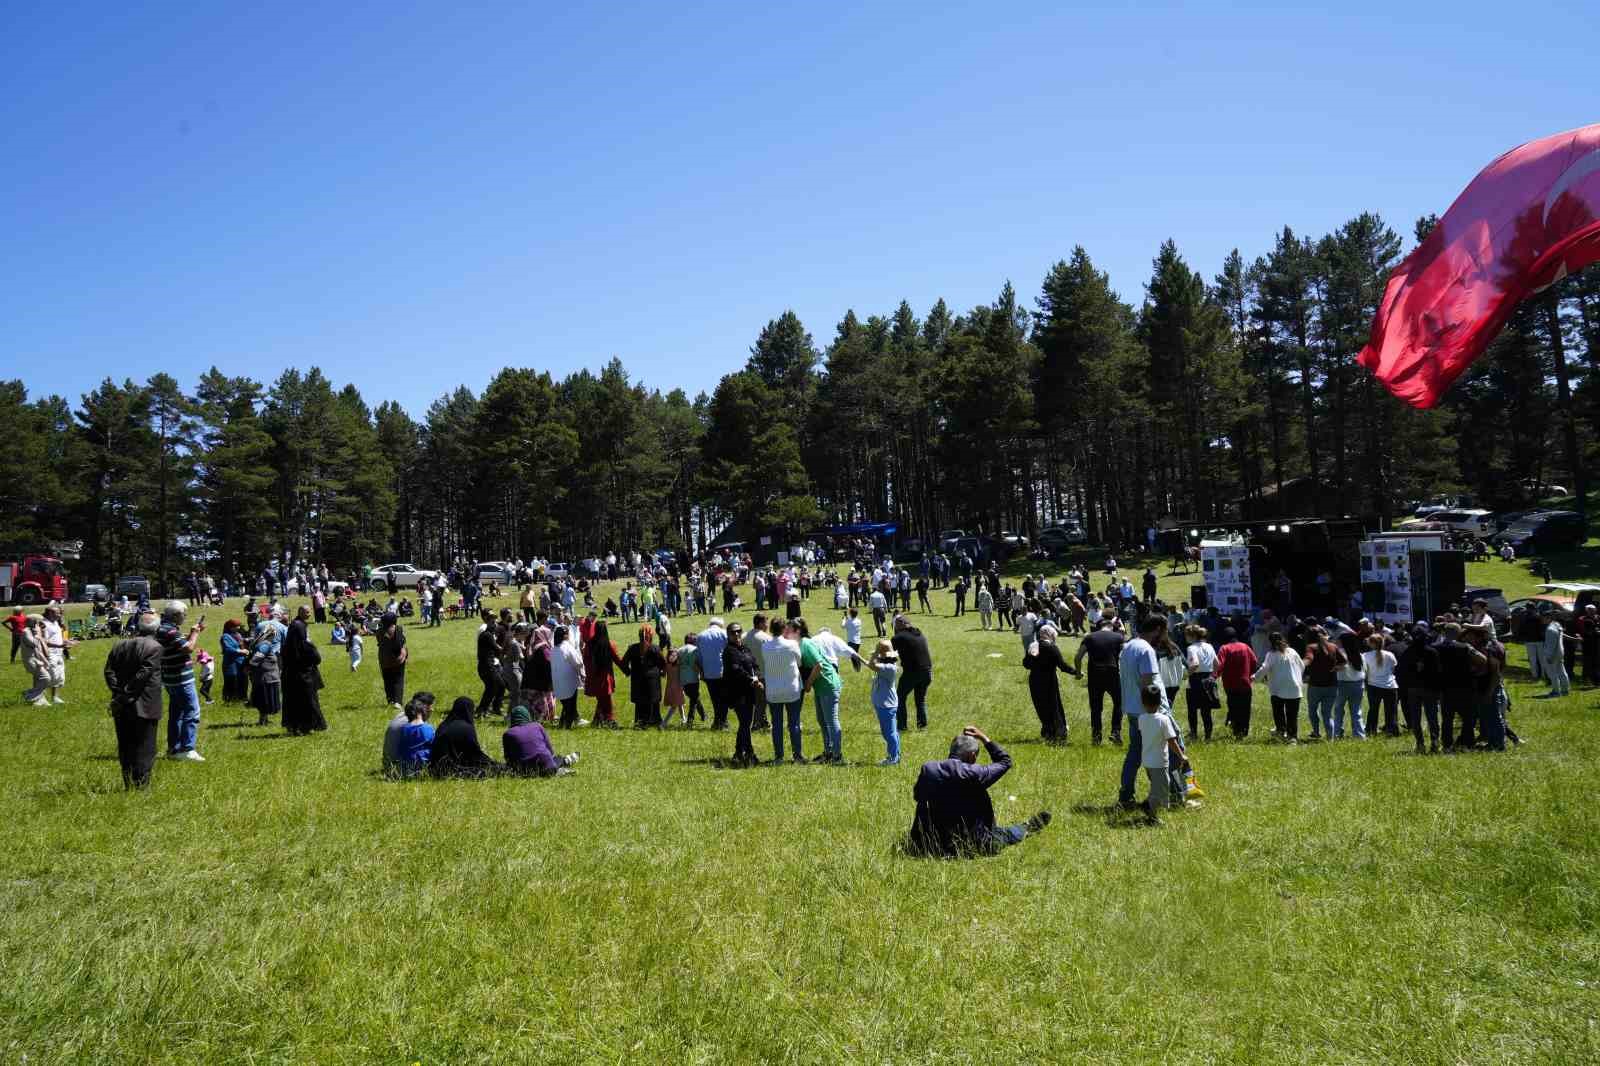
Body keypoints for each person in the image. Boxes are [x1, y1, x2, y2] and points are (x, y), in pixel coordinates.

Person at [906, 726, 1051, 857]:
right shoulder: (975, 773)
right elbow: (1005, 761)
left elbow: (917, 796)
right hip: (972, 846)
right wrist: (984, 738)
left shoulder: (928, 769)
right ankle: (1028, 827)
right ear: (972, 756)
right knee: (1003, 835)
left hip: (927, 844)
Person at [103, 612, 163, 789]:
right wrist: (126, 694)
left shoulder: (119, 645)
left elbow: (108, 672)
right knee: (145, 746)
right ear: (157, 628)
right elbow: (143, 675)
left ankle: (128, 782)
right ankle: (141, 785)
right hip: (144, 704)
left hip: (121, 705)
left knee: (126, 745)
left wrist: (118, 693)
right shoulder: (155, 647)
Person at [1116, 616, 1168, 810]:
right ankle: (1163, 797)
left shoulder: (1129, 645)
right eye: (1163, 632)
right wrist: (1156, 711)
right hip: (1146, 710)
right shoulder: (1146, 650)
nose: (1163, 637)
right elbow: (1148, 683)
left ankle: (1126, 795)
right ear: (1156, 629)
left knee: (1135, 754)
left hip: (1132, 708)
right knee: (1159, 755)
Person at [157, 602, 206, 761]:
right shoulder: (171, 630)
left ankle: (174, 749)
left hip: (170, 678)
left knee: (177, 714)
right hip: (181, 679)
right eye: (183, 615)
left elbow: (176, 643)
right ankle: (187, 748)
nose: (184, 618)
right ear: (176, 615)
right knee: (192, 711)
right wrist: (195, 633)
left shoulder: (163, 628)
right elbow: (188, 648)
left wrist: (190, 634)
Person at [1136, 684, 1190, 826]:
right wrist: (1181, 756)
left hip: (1147, 761)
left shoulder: (1141, 719)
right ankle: (1151, 817)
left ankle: (1149, 805)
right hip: (1159, 762)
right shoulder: (1164, 720)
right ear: (1161, 702)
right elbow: (1171, 741)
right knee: (1161, 789)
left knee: (1156, 786)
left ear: (1143, 702)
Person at [1073, 619, 1125, 745]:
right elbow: (1124, 656)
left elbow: (1078, 656)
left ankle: (1096, 736)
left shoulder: (1089, 637)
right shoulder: (1118, 637)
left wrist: (1078, 673)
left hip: (1094, 675)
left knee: (1096, 707)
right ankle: (1115, 732)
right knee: (1119, 703)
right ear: (1111, 627)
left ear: (1099, 627)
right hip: (1113, 673)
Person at [280, 605, 327, 736]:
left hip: (297, 670)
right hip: (300, 671)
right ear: (300, 612)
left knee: (298, 700)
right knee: (306, 700)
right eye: (306, 612)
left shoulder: (298, 625)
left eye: (309, 612)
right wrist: (315, 657)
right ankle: (305, 726)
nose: (309, 614)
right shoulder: (298, 627)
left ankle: (299, 726)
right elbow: (305, 647)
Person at [763, 619, 806, 763]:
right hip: (791, 689)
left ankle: (779, 756)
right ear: (783, 630)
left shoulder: (765, 646)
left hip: (773, 691)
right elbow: (799, 662)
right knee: (794, 723)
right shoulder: (792, 644)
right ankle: (797, 755)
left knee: (777, 725)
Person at [720, 621, 762, 767]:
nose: (736, 634)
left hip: (749, 692)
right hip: (737, 692)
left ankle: (742, 753)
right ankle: (745, 753)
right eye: (733, 632)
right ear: (728, 635)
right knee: (745, 723)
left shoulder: (746, 649)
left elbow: (755, 665)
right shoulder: (729, 651)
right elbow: (735, 670)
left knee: (745, 724)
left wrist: (756, 676)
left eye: (739, 631)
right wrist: (752, 680)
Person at [1023, 624, 1071, 743]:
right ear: (1050, 635)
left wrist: (1031, 656)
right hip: (1049, 680)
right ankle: (1058, 731)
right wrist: (1076, 672)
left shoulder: (1033, 646)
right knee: (1054, 705)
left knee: (1040, 705)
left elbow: (1026, 664)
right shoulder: (1052, 647)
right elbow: (1063, 666)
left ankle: (1047, 730)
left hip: (1034, 680)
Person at [428, 696, 499, 777]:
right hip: (453, 770)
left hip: (436, 768)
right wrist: (491, 762)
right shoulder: (466, 728)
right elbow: (474, 754)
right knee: (495, 769)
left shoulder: (443, 725)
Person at [1253, 631, 1305, 741]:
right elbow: (1301, 666)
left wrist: (1254, 678)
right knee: (1292, 715)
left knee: (1278, 712)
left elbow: (1264, 668)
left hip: (1278, 688)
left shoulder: (1271, 654)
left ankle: (1281, 732)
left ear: (1270, 643)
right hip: (1294, 688)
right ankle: (1292, 738)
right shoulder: (1292, 651)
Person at [502, 705, 579, 776]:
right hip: (547, 766)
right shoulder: (537, 726)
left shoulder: (508, 734)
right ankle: (565, 761)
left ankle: (563, 764)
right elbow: (550, 751)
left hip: (524, 771)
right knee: (555, 759)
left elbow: (508, 758)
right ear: (527, 716)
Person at [619, 623, 669, 729]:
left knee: (640, 701)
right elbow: (664, 664)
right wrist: (662, 673)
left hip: (637, 679)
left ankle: (640, 721)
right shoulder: (655, 648)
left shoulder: (633, 648)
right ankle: (653, 720)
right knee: (653, 701)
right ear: (651, 635)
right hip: (652, 680)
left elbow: (623, 663)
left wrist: (628, 672)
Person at [891, 615, 933, 733]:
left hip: (912, 672)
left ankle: (902, 726)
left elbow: (889, 652)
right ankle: (922, 725)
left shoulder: (898, 637)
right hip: (927, 672)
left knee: (900, 697)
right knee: (920, 700)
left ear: (899, 625)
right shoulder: (919, 633)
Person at [1215, 628, 1259, 740]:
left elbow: (1220, 665)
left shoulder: (1224, 648)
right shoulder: (1245, 646)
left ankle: (1236, 730)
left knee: (1234, 707)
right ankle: (1244, 732)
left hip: (1231, 685)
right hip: (1245, 683)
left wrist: (1214, 676)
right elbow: (1254, 661)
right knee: (1245, 708)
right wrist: (1251, 674)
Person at [384, 692, 435, 777]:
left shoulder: (403, 719)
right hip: (398, 766)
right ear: (422, 708)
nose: (432, 710)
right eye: (430, 706)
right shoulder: (416, 725)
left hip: (396, 765)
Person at [1181, 624, 1218, 742]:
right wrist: (1212, 676)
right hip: (1208, 679)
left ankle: (1193, 734)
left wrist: (1185, 674)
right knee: (1206, 710)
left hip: (1196, 680)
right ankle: (1208, 736)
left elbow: (1195, 664)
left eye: (1186, 635)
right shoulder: (1209, 646)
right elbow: (1217, 663)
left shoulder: (1191, 648)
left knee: (1192, 709)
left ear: (1191, 636)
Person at [584, 619, 622, 727]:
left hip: (593, 676)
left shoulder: (589, 644)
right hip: (605, 677)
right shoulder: (609, 644)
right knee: (606, 700)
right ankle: (609, 720)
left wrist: (588, 673)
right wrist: (627, 670)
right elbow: (617, 659)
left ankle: (598, 720)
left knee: (602, 699)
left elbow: (585, 660)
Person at [1362, 634, 1400, 736]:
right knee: (1391, 711)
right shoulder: (1390, 654)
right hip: (1390, 686)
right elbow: (1393, 669)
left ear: (1371, 644)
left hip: (1373, 685)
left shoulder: (1365, 656)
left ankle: (1371, 730)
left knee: (1373, 710)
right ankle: (1391, 730)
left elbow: (1365, 672)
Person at [696, 617, 729, 730]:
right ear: (721, 625)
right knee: (724, 698)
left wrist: (702, 671)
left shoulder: (700, 636)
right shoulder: (724, 634)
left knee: (714, 698)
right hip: (722, 671)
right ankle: (723, 722)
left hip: (708, 672)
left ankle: (717, 721)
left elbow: (699, 656)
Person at [1535, 614, 1575, 698]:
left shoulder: (1550, 629)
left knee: (1552, 674)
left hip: (1553, 654)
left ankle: (1556, 692)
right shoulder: (1557, 625)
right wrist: (1574, 639)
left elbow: (1551, 645)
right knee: (1562, 672)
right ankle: (1565, 690)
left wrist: (1549, 656)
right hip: (1560, 652)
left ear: (1548, 618)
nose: (1542, 620)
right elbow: (1562, 635)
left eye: (1543, 618)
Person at [378, 613, 407, 708]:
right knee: (398, 679)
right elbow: (400, 643)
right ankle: (397, 701)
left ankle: (390, 700)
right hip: (397, 657)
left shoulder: (379, 631)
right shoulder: (398, 629)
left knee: (387, 679)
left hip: (384, 658)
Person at [220, 619, 249, 703]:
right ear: (230, 627)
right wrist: (240, 651)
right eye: (236, 626)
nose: (238, 627)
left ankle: (242, 697)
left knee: (243, 679)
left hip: (241, 661)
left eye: (239, 626)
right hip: (230, 662)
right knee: (232, 679)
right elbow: (228, 649)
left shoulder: (238, 635)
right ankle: (229, 699)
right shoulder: (225, 636)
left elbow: (242, 644)